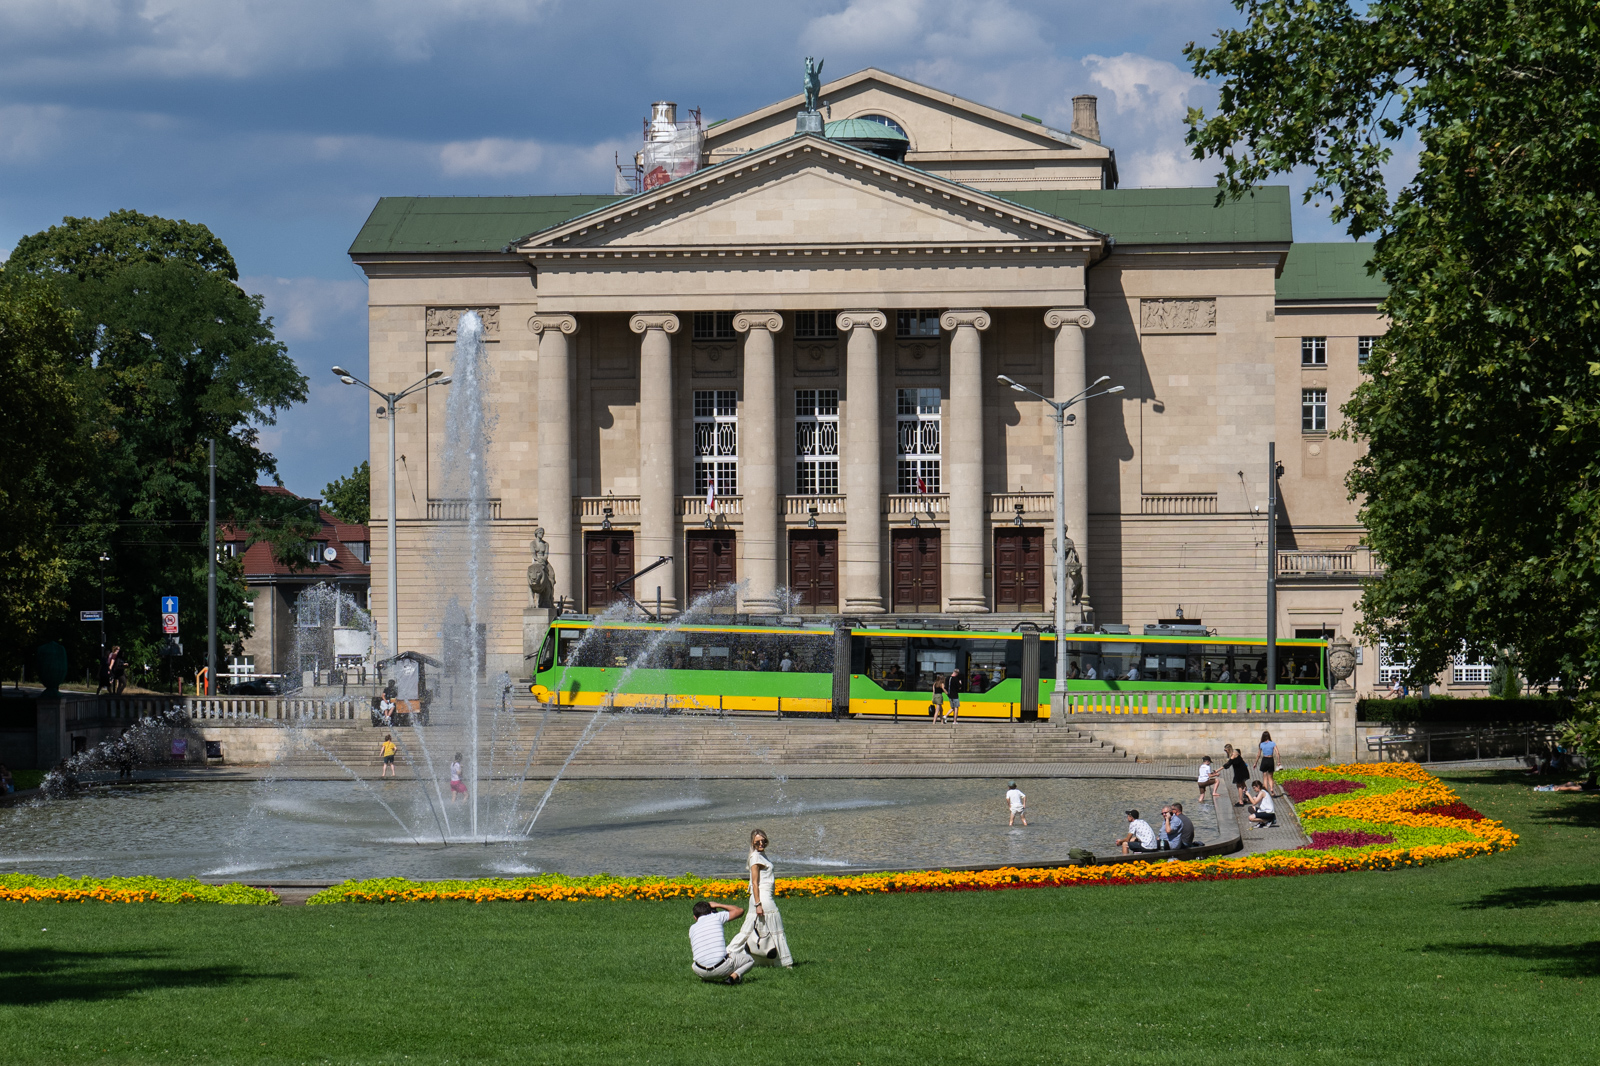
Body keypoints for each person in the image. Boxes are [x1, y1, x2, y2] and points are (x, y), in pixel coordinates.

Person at [727, 829, 793, 968]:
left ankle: (747, 957)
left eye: (763, 841)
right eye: (758, 842)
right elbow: (755, 883)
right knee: (774, 927)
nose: (761, 843)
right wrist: (758, 904)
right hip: (762, 897)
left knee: (754, 929)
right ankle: (784, 963)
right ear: (753, 843)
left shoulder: (761, 855)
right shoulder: (755, 857)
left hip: (764, 896)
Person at [689, 899, 754, 984]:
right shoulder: (716, 917)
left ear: (695, 917)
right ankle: (733, 977)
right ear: (711, 911)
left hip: (700, 971)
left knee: (695, 964)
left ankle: (708, 979)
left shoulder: (692, 928)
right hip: (722, 968)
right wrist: (718, 905)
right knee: (750, 960)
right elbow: (740, 911)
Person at [1254, 731, 1280, 796]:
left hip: (1264, 760)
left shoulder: (1261, 744)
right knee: (1270, 777)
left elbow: (1258, 755)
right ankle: (1271, 789)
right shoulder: (1273, 743)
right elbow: (1277, 753)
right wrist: (1278, 761)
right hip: (1271, 760)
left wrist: (1255, 763)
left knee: (1265, 777)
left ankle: (1266, 791)